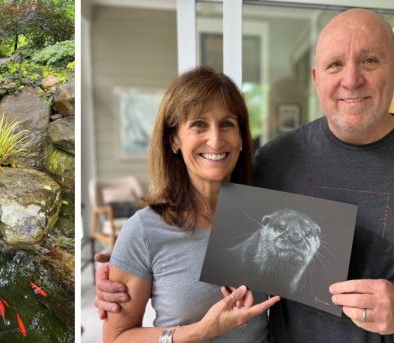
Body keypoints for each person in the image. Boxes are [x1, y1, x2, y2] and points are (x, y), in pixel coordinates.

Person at [94, 8, 394, 342]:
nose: (351, 79)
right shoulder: (275, 161)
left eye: (370, 60)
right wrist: (124, 266)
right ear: (317, 78)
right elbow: (195, 229)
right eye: (334, 64)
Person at [102, 66, 280, 343]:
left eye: (227, 124)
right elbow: (116, 338)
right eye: (199, 124)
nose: (215, 139)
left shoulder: (265, 216)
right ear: (174, 139)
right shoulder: (144, 230)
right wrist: (201, 331)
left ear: (242, 138)